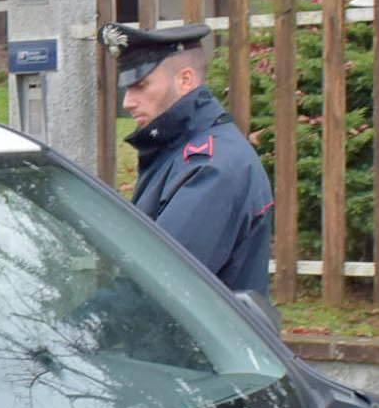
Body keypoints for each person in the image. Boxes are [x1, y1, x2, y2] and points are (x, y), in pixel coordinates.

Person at [100, 21, 274, 298]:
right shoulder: (178, 151)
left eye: (140, 86)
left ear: (185, 80)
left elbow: (157, 287)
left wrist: (80, 330)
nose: (128, 102)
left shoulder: (211, 169)